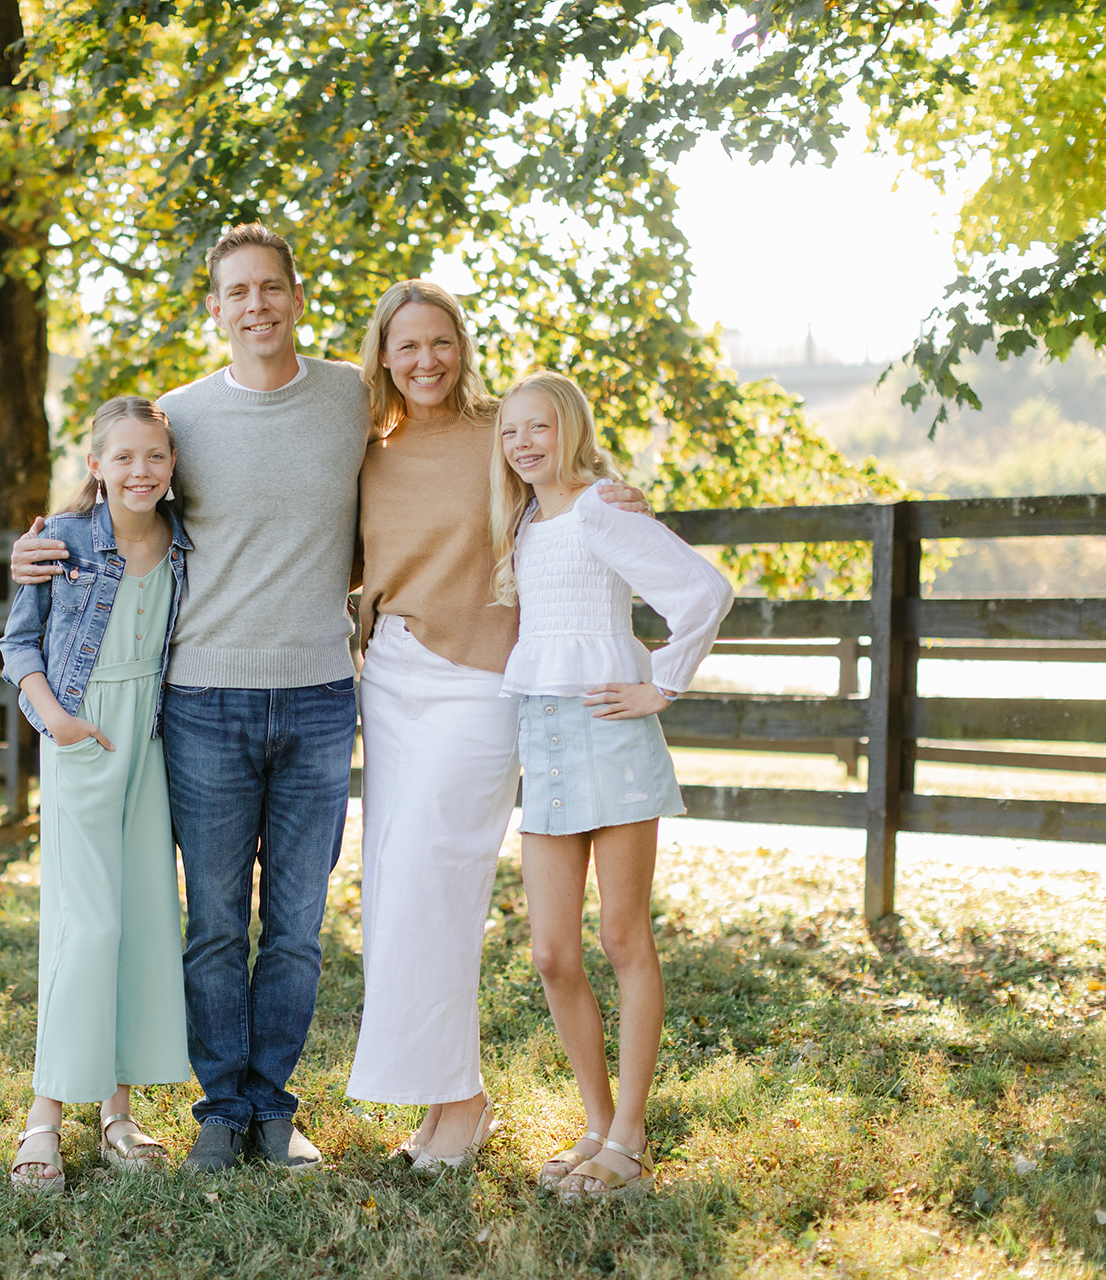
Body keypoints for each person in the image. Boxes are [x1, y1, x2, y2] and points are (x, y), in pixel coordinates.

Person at [11, 225, 367, 1173]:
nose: (255, 305)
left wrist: (577, 482)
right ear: (215, 309)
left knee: (294, 925)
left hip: (322, 696)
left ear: (296, 295)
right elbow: (109, 512)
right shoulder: (177, 417)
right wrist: (35, 562)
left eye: (270, 289)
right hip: (201, 702)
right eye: (235, 293)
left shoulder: (352, 395)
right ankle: (218, 1109)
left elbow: (451, 429)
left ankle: (272, 1110)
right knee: (210, 920)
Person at [347, 283, 648, 1168]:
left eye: (441, 342)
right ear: (384, 356)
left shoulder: (500, 432)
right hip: (390, 676)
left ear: (462, 346)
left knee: (437, 881)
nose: (426, 361)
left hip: (480, 679)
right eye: (408, 347)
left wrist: (613, 493)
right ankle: (450, 1101)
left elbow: (569, 486)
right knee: (395, 888)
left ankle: (465, 1104)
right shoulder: (369, 448)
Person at [488, 370, 733, 1199]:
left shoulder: (600, 507)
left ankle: (628, 1137)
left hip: (612, 731)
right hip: (544, 734)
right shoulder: (522, 521)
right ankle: (594, 1123)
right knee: (554, 953)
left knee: (624, 938)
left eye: (539, 428)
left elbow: (705, 590)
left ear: (571, 428)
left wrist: (662, 683)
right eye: (511, 431)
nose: (524, 443)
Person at [0, 396, 193, 1193]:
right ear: (97, 467)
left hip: (151, 741)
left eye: (154, 456)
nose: (140, 471)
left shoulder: (187, 541)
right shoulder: (64, 541)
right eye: (124, 458)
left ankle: (118, 1111)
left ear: (172, 466)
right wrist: (56, 722)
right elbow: (18, 642)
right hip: (82, 739)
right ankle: (44, 1116)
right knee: (89, 925)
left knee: (145, 922)